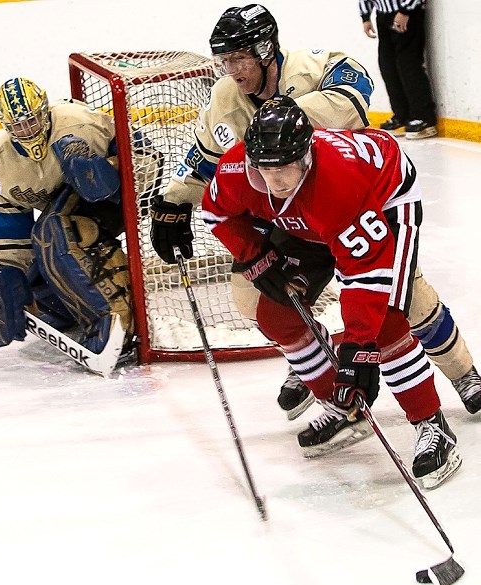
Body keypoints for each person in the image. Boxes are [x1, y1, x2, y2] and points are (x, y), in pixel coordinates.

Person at [201, 95, 464, 490]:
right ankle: (344, 407)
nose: (275, 183)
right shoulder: (237, 169)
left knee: (387, 320)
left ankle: (433, 424)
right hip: (310, 219)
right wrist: (254, 256)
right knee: (277, 315)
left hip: (385, 199)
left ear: (305, 155)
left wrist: (359, 348)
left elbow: (367, 277)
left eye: (285, 169)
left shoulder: (337, 181)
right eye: (265, 170)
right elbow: (217, 213)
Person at [150, 3, 374, 420]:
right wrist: (174, 199)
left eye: (238, 57)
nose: (230, 69)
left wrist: (283, 120)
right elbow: (205, 161)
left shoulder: (314, 67)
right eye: (223, 60)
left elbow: (355, 98)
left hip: (352, 212)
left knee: (402, 302)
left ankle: (464, 375)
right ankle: (315, 358)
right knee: (254, 296)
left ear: (265, 48)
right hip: (291, 220)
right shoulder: (225, 98)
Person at [0, 77, 160, 360]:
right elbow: (9, 226)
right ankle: (67, 308)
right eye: (17, 125)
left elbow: (143, 157)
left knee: (52, 232)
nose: (26, 130)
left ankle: (115, 319)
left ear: (45, 111)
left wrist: (104, 172)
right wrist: (8, 272)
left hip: (122, 191)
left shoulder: (78, 124)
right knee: (32, 275)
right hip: (65, 206)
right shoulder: (3, 164)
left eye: (31, 121)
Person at [359, 0, 437, 139]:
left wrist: (406, 11)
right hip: (382, 13)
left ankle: (424, 117)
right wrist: (365, 16)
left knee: (408, 64)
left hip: (407, 12)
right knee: (388, 66)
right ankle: (403, 115)